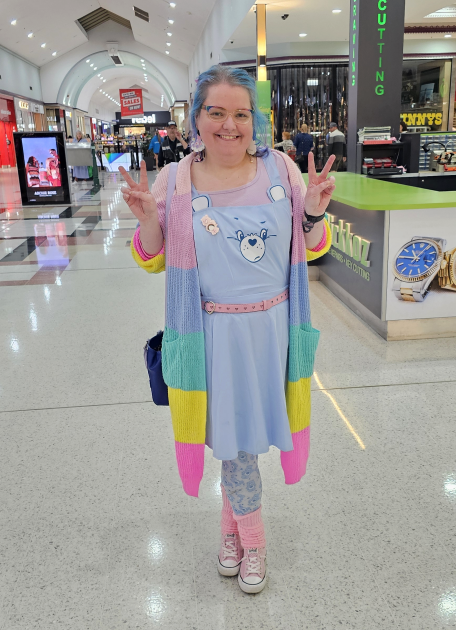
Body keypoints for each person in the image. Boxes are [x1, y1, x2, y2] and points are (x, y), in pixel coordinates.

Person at [119, 64, 336, 595]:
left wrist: (310, 213)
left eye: (241, 113)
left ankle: (234, 535)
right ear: (196, 119)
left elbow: (314, 247)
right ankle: (253, 540)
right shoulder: (174, 179)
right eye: (216, 112)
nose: (229, 125)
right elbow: (150, 258)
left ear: (254, 121)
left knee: (241, 444)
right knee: (234, 446)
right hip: (211, 337)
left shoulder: (282, 169)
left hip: (272, 333)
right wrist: (149, 215)